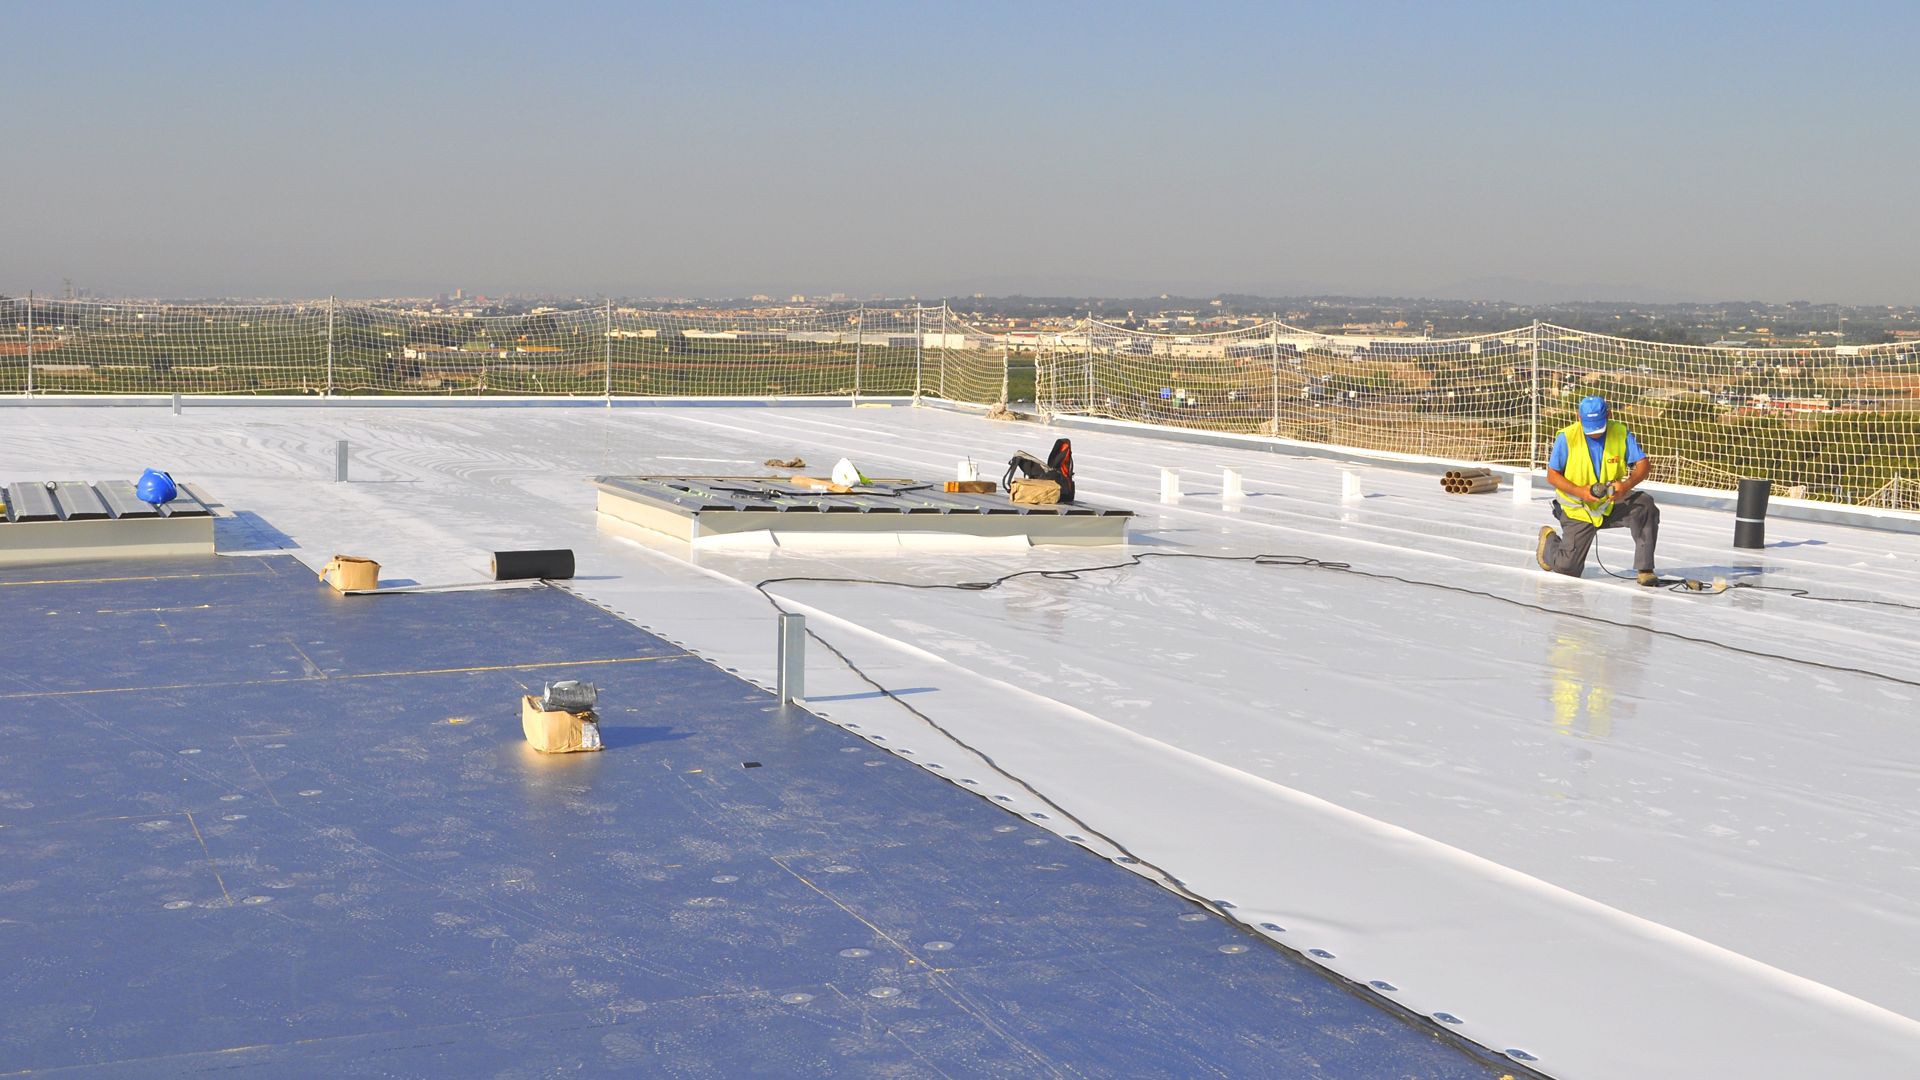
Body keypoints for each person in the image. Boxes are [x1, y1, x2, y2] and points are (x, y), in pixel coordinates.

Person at [1535, 395, 1661, 584]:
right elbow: (1552, 475)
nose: (1594, 433)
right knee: (1567, 569)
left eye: (1598, 428)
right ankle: (1549, 541)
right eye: (1590, 428)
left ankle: (1645, 569)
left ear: (1609, 415)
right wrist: (1581, 492)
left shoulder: (1620, 433)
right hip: (1578, 509)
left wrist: (1625, 486)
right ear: (1579, 418)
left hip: (1610, 504)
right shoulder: (1567, 438)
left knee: (1645, 505)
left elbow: (1643, 465)